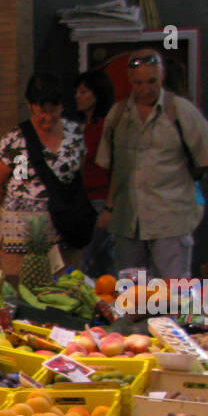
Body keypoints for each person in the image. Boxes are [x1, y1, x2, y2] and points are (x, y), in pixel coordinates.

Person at [95, 48, 208, 282]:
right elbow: (114, 167)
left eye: (152, 81)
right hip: (127, 222)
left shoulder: (181, 111)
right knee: (132, 297)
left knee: (173, 295)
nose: (146, 89)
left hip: (170, 220)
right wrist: (109, 208)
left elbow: (207, 159)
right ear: (130, 82)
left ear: (162, 77)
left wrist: (179, 184)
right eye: (138, 83)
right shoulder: (118, 115)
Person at [0, 73, 86, 279]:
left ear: (62, 106)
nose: (47, 117)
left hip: (63, 232)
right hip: (18, 236)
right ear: (31, 106)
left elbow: (80, 176)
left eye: (53, 110)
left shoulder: (76, 134)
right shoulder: (14, 140)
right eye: (42, 110)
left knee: (66, 289)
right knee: (20, 292)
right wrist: (22, 206)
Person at [73, 69, 115, 279]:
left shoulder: (105, 126)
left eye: (83, 91)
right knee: (96, 258)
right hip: (84, 198)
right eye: (77, 91)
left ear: (96, 94)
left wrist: (109, 206)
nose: (77, 96)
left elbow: (114, 166)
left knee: (91, 256)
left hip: (102, 198)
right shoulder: (81, 127)